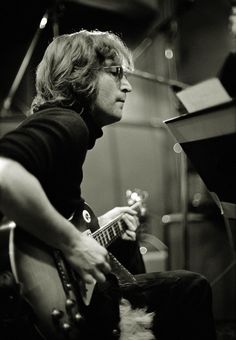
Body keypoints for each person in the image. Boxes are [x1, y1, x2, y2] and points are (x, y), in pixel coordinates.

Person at [0, 29, 216, 340]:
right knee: (191, 288)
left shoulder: (64, 125)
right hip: (39, 303)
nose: (127, 86)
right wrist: (74, 244)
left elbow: (54, 221)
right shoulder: (67, 122)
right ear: (81, 75)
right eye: (116, 74)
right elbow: (4, 172)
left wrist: (97, 227)